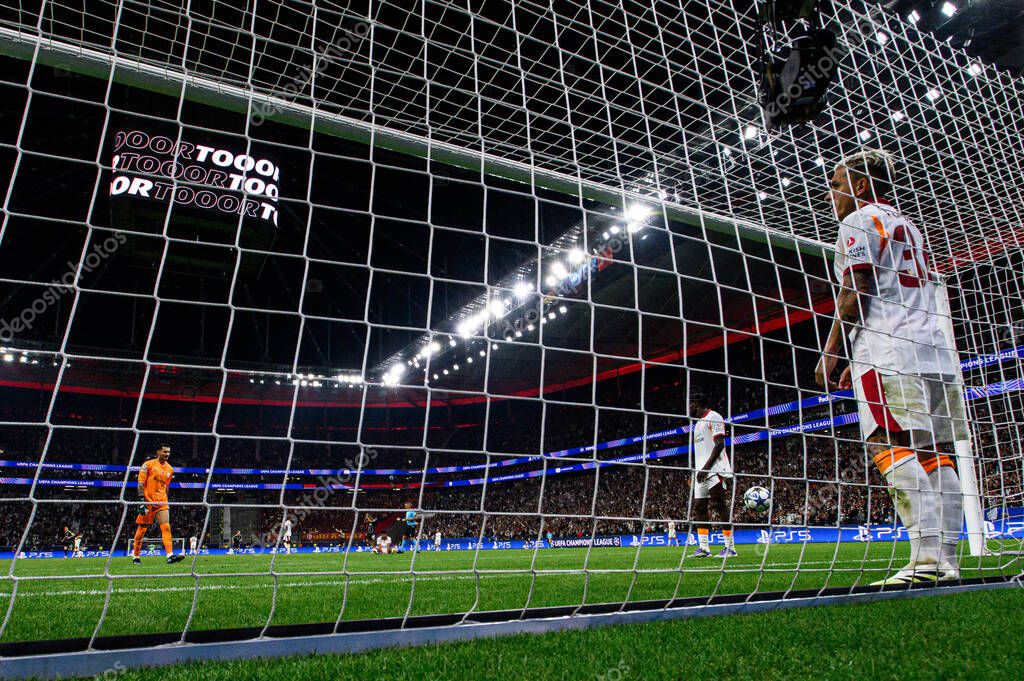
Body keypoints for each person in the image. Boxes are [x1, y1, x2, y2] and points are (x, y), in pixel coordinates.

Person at [816, 149, 966, 584]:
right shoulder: (909, 227)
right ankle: (946, 562)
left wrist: (833, 353)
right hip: (933, 350)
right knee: (935, 452)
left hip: (887, 350)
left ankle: (924, 560)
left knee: (885, 442)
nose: (833, 195)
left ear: (861, 186)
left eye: (838, 184)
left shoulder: (857, 220)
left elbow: (857, 288)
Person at [688, 391, 736, 558]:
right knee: (699, 507)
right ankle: (704, 548)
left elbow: (719, 444)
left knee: (719, 504)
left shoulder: (714, 416)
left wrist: (706, 468)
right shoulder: (697, 424)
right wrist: (698, 471)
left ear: (697, 403)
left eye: (690, 404)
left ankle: (730, 548)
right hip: (701, 472)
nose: (689, 408)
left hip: (715, 469)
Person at [131, 444, 185, 565]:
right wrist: (141, 501)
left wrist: (166, 499)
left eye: (168, 452)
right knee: (142, 529)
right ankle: (136, 556)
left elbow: (166, 486)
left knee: (166, 527)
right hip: (148, 501)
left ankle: (170, 556)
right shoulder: (148, 465)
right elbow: (140, 483)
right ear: (158, 451)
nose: (167, 454)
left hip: (161, 502)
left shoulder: (170, 469)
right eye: (164, 452)